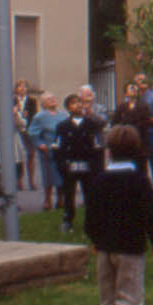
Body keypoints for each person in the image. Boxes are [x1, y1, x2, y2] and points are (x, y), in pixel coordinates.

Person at [83, 123, 153, 305]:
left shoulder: (98, 181)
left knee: (107, 294)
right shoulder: (140, 181)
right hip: (130, 247)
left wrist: (95, 240)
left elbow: (91, 215)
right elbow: (150, 214)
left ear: (109, 150)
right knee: (130, 294)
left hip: (105, 247)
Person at [56, 92, 102, 231]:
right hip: (70, 164)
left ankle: (92, 221)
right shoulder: (63, 126)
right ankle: (68, 219)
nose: (78, 105)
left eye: (79, 102)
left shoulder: (91, 124)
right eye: (74, 103)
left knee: (89, 193)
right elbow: (58, 147)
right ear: (68, 108)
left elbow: (97, 145)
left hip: (87, 163)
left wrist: (97, 165)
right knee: (69, 193)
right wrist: (62, 163)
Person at [26, 92, 65, 209]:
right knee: (49, 176)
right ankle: (47, 200)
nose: (52, 100)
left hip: (62, 149)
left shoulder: (64, 115)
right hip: (48, 150)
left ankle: (60, 199)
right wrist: (40, 144)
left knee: (62, 174)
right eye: (49, 99)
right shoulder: (39, 117)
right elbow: (32, 132)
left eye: (53, 98)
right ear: (43, 104)